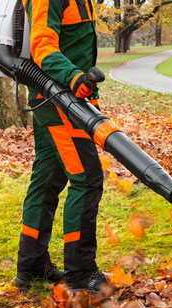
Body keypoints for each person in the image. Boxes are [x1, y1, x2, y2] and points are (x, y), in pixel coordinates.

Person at [15, 0, 108, 292]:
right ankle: (81, 274)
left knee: (47, 179)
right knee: (87, 178)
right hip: (58, 100)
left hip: (62, 99)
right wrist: (73, 76)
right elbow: (42, 46)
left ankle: (31, 263)